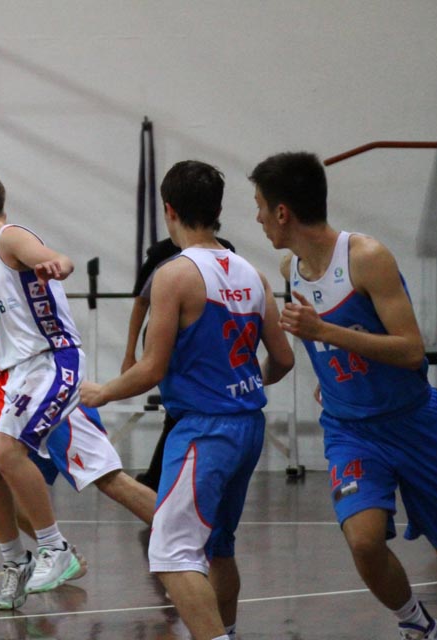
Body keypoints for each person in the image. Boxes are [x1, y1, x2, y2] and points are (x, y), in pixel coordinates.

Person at [250, 151, 437, 640]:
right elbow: (328, 346)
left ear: (283, 212)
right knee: (364, 542)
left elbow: (411, 351)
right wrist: (330, 376)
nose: (257, 217)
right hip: (352, 432)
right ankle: (420, 626)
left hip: (415, 424)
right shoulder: (290, 269)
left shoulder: (366, 257)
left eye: (260, 206)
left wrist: (325, 331)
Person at [81, 160, 294, 640]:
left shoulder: (174, 275)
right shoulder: (253, 274)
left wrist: (103, 391)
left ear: (169, 209)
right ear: (217, 210)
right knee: (219, 547)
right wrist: (243, 385)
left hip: (204, 431)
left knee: (173, 553)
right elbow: (283, 359)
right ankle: (228, 630)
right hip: (248, 427)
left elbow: (152, 369)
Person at [0, 251, 157, 584]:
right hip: (23, 408)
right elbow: (2, 360)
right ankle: (60, 553)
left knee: (111, 482)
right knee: (1, 488)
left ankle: (188, 541)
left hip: (55, 406)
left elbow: (12, 344)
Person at [0, 171, 99, 610]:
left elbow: (56, 258)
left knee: (7, 452)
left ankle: (55, 548)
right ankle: (15, 560)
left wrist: (58, 265)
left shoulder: (10, 238)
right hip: (18, 371)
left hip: (53, 360)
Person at [125, 236, 235, 492]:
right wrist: (129, 354)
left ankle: (164, 477)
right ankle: (161, 477)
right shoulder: (162, 253)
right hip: (170, 336)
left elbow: (232, 300)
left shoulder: (226, 251)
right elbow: (141, 302)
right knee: (178, 408)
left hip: (206, 336)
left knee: (191, 408)